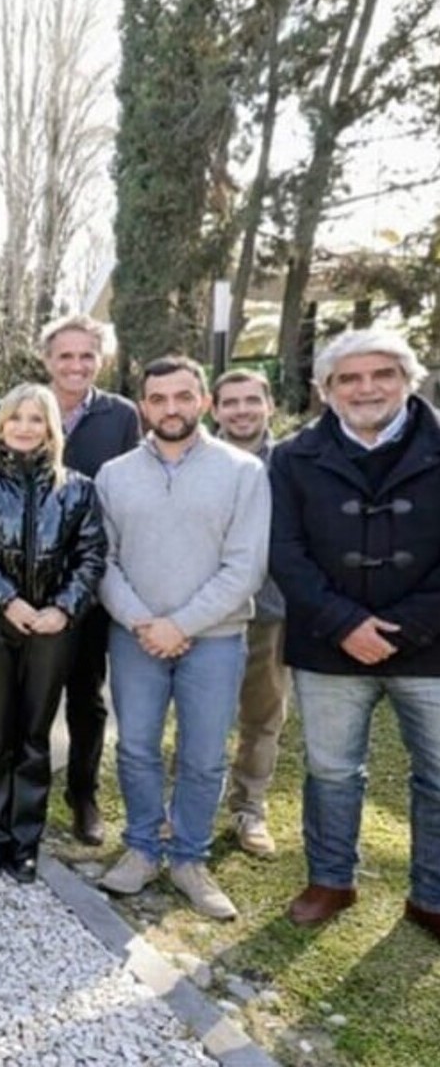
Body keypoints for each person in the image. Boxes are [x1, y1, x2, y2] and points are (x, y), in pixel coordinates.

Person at [268, 330, 440, 941]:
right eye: (349, 378)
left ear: (406, 379)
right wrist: (344, 623)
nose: (366, 388)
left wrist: (406, 627)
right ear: (327, 389)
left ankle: (432, 894)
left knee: (438, 774)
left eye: (382, 374)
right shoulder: (292, 457)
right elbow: (284, 552)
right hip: (329, 645)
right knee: (333, 771)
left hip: (431, 646)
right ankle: (331, 879)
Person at [94, 356, 269, 920]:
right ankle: (144, 848)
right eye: (159, 398)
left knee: (202, 754)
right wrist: (145, 623)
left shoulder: (243, 472)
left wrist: (181, 625)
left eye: (183, 397)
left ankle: (190, 858)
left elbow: (245, 567)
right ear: (143, 405)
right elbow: (102, 562)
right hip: (135, 637)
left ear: (204, 403)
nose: (172, 408)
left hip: (214, 639)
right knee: (138, 746)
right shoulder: (115, 474)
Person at [0, 385, 106, 883]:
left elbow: (91, 555)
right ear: (0, 426)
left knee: (34, 734)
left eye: (36, 419)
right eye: (15, 418)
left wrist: (63, 608)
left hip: (53, 627)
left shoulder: (77, 488)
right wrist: (7, 600)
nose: (24, 427)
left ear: (51, 428)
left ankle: (25, 839)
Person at [40, 313, 141, 845]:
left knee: (87, 692)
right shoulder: (25, 410)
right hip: (30, 580)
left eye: (86, 356)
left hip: (93, 577)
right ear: (48, 360)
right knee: (27, 695)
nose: (75, 365)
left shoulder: (121, 416)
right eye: (65, 355)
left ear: (99, 360)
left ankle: (82, 793)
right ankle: (19, 792)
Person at [210, 369, 288, 858]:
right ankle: (191, 805)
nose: (241, 411)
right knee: (200, 717)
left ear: (269, 405)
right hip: (208, 611)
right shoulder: (201, 460)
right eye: (230, 402)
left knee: (262, 714)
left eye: (250, 401)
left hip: (269, 609)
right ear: (214, 409)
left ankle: (249, 807)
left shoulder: (293, 463)